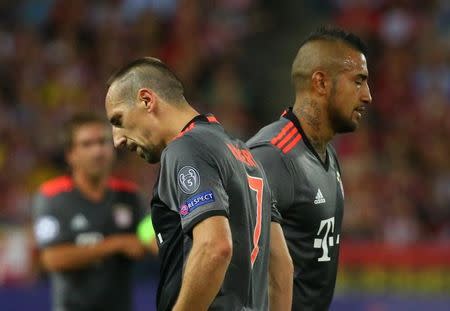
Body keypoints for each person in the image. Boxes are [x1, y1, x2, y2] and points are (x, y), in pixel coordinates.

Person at [105, 57, 293, 311]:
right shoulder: (243, 155)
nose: (117, 140)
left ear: (147, 100)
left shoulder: (185, 149)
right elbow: (281, 266)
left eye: (118, 120)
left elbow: (214, 246)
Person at [247, 27, 373, 310]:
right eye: (358, 81)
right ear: (321, 83)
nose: (367, 95)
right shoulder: (272, 156)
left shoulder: (325, 154)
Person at [32, 113, 157, 311]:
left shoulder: (130, 196)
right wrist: (116, 244)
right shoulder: (52, 197)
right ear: (70, 154)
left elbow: (148, 231)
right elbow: (51, 259)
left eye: (103, 142)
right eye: (87, 144)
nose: (98, 151)